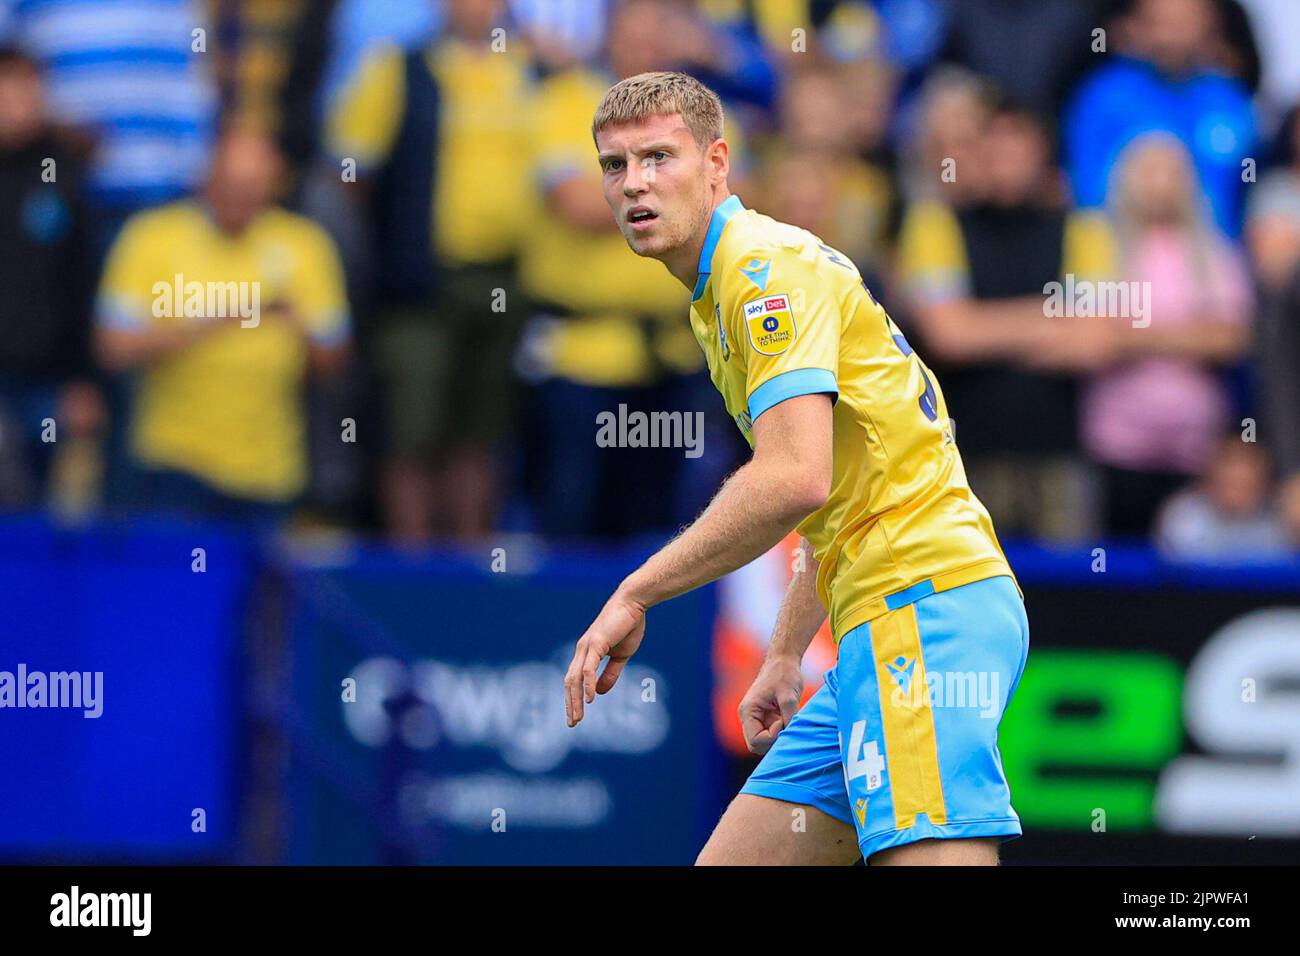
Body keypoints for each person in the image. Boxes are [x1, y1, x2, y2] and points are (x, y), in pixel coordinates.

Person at [564, 72, 1028, 866]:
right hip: (877, 629)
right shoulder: (719, 292)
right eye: (615, 165)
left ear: (718, 162)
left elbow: (793, 479)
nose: (634, 183)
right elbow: (838, 489)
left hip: (922, 612)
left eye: (658, 158)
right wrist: (786, 651)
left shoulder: (761, 273)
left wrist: (636, 591)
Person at [94, 128, 350, 527]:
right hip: (173, 464)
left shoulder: (305, 245)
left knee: (259, 588)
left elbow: (333, 360)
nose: (241, 198)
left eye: (253, 187)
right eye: (231, 185)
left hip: (271, 471)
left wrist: (298, 325)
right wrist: (220, 319)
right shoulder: (151, 236)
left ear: (274, 184)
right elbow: (113, 346)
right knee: (180, 582)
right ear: (205, 178)